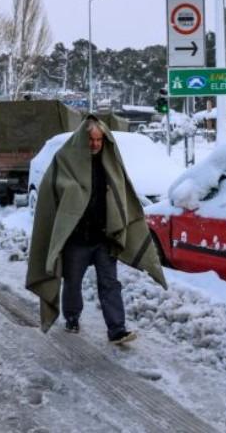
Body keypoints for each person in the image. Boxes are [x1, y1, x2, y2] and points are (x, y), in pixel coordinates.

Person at [26, 116, 167, 344]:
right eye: (91, 140)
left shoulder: (109, 163)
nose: (95, 145)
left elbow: (122, 195)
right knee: (73, 282)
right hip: (76, 238)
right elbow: (50, 193)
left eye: (99, 140)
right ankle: (72, 317)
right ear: (83, 139)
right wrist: (72, 193)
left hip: (104, 237)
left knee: (110, 283)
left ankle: (117, 330)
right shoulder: (64, 160)